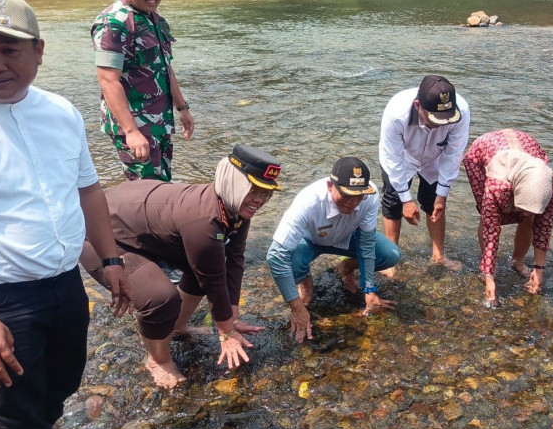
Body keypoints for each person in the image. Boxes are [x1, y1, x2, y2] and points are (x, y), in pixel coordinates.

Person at [0, 0, 132, 429]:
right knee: (14, 423)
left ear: (39, 52)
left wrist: (111, 259)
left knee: (57, 392)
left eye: (9, 49)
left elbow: (87, 189)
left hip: (64, 285)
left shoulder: (60, 113)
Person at [80, 144, 281, 388]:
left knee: (203, 269)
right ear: (235, 185)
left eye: (266, 194)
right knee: (160, 298)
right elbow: (214, 280)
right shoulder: (204, 220)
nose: (260, 201)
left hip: (140, 229)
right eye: (254, 191)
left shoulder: (234, 208)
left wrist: (233, 318)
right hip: (99, 237)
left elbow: (234, 261)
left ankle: (177, 328)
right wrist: (226, 332)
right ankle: (158, 360)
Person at [266, 157, 400, 343]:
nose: (353, 203)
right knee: (291, 260)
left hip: (348, 236)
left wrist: (370, 288)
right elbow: (276, 256)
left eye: (358, 196)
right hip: (310, 239)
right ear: (330, 186)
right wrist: (295, 306)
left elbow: (367, 243)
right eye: (345, 195)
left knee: (390, 255)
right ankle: (305, 283)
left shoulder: (370, 196)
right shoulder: (308, 201)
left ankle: (346, 268)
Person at [91, 0, 194, 181]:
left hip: (159, 122)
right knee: (144, 195)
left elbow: (165, 67)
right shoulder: (114, 22)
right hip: (135, 124)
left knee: (162, 188)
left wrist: (182, 108)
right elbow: (108, 80)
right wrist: (131, 132)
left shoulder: (154, 19)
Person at [379, 75, 471, 273]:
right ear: (418, 105)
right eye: (435, 119)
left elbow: (453, 154)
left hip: (436, 156)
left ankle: (439, 256)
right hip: (402, 156)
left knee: (434, 203)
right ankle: (390, 259)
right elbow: (393, 159)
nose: (441, 124)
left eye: (446, 119)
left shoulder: (461, 111)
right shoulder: (396, 113)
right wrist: (406, 199)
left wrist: (442, 195)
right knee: (393, 202)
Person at [462, 129, 553, 307]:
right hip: (484, 154)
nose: (526, 213)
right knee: (488, 216)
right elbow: (491, 229)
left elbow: (544, 227)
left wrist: (539, 269)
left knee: (529, 218)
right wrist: (489, 277)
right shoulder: (497, 187)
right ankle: (486, 267)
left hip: (527, 157)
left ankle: (518, 261)